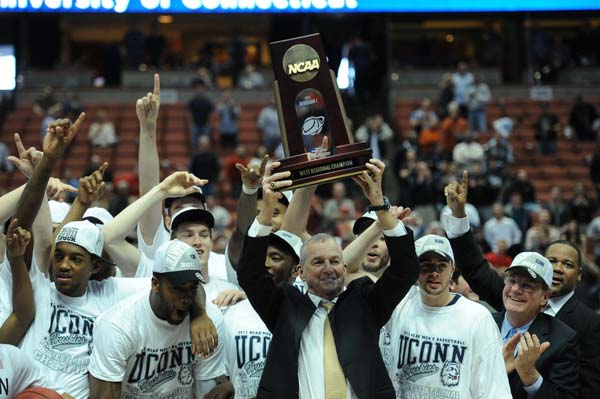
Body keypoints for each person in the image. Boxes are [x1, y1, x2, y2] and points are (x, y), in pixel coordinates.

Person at [237, 159, 419, 398]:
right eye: (318, 262)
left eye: (334, 261)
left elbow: (405, 270)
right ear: (300, 272)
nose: (328, 269)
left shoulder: (365, 303)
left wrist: (379, 204)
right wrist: (267, 209)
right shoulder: (284, 305)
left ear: (344, 267)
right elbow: (250, 274)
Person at [443, 172, 579, 398]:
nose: (516, 289)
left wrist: (531, 377)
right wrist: (458, 216)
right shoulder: (480, 322)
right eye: (513, 280)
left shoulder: (562, 339)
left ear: (545, 297)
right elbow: (475, 267)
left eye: (528, 286)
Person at [88, 239, 226, 399]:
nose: (186, 298)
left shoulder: (208, 323)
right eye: (178, 289)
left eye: (192, 288)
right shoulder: (117, 326)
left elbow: (207, 390)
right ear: (155, 284)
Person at [381, 235, 511, 398]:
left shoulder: (477, 317)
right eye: (426, 266)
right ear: (415, 268)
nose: (434, 273)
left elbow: (493, 389)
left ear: (452, 269)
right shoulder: (399, 303)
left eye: (441, 266)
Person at [222, 229, 302, 399]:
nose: (265, 263)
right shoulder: (232, 311)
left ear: (296, 270)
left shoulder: (306, 316)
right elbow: (223, 375)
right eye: (262, 256)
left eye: (276, 258)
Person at [544, 239, 600, 399]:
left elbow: (589, 388)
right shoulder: (520, 301)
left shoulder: (591, 322)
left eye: (567, 264)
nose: (557, 268)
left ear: (579, 275)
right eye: (551, 261)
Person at [187, 79, 214, 151]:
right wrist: (191, 123)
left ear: (203, 90)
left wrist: (209, 123)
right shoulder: (192, 101)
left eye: (201, 88)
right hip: (195, 125)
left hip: (205, 125)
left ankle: (206, 155)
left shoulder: (207, 101)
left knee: (206, 142)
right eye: (198, 89)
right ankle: (195, 156)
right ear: (196, 90)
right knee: (194, 143)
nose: (200, 90)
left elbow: (210, 113)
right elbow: (189, 113)